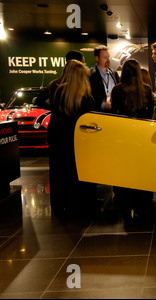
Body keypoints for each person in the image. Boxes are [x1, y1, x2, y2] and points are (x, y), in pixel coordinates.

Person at [47, 60, 96, 215]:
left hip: (59, 142)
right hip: (80, 144)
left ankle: (60, 205)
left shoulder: (59, 92)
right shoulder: (87, 98)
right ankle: (81, 204)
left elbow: (55, 120)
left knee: (59, 174)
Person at [110, 59, 155, 221]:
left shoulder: (117, 90)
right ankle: (142, 202)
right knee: (142, 170)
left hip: (123, 137)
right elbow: (150, 115)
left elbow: (114, 114)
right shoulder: (147, 90)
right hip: (142, 137)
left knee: (123, 170)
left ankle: (123, 201)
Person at [89, 45, 120, 112]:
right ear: (97, 58)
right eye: (105, 57)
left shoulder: (114, 73)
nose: (108, 60)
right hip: (99, 114)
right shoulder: (90, 75)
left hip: (115, 112)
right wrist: (102, 105)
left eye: (108, 57)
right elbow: (89, 97)